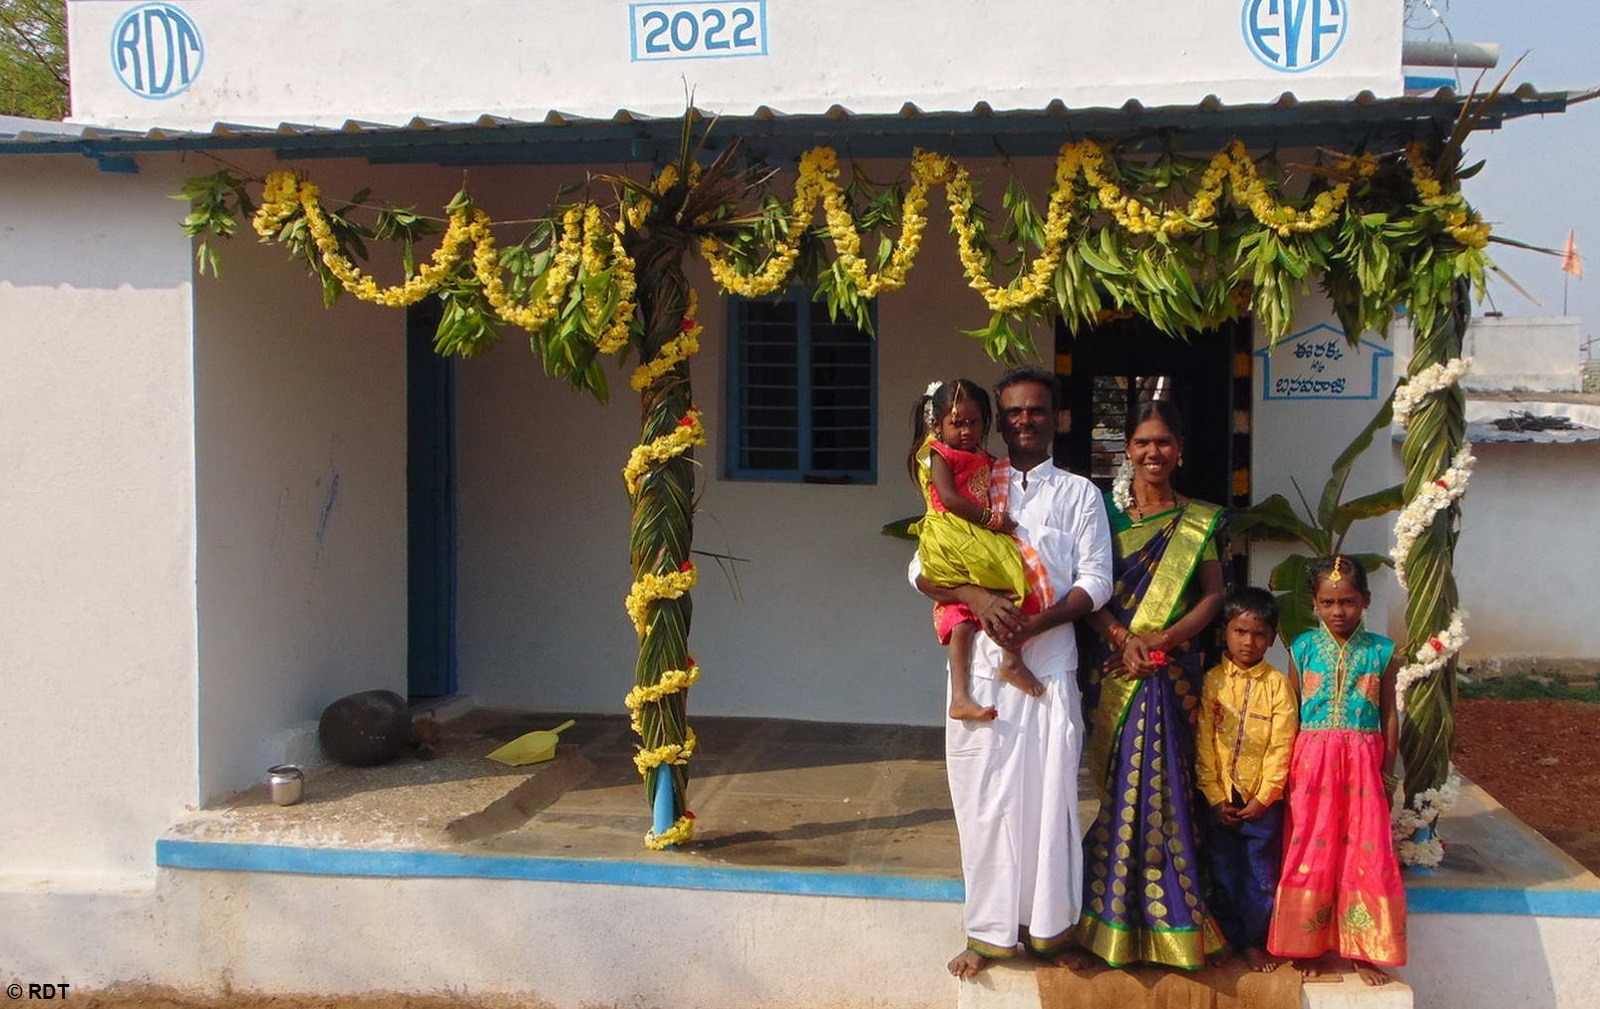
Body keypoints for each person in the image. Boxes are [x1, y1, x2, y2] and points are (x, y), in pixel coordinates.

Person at [910, 366, 1113, 978]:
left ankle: (1051, 932)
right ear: (1000, 419)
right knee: (984, 801)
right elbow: (920, 571)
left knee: (1052, 801)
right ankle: (990, 935)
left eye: (1038, 411)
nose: (1026, 420)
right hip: (982, 676)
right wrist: (975, 598)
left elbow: (1096, 582)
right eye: (1015, 412)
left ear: (1055, 418)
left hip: (1049, 667)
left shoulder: (1079, 493)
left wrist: (1036, 624)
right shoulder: (971, 477)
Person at [1071, 398, 1227, 970]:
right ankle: (1106, 913)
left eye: (1163, 442)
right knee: (1121, 787)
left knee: (1163, 786)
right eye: (1142, 442)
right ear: (1127, 450)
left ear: (1179, 451)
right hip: (1114, 667)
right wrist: (1122, 639)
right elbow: (1087, 588)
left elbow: (1212, 595)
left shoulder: (1199, 520)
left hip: (1169, 673)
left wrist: (1159, 643)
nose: (1152, 452)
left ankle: (1174, 917)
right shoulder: (1105, 517)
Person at [1268, 555, 1407, 985]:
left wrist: (1386, 770)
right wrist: (1284, 765)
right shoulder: (1302, 647)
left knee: (1365, 850)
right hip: (1312, 762)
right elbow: (1288, 710)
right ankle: (1306, 943)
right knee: (1311, 847)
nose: (1338, 611)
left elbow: (1389, 714)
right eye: (1328, 602)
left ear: (1364, 600)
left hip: (1364, 764)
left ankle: (1365, 949)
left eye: (1347, 601)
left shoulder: (1382, 652)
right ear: (1314, 603)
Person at [907, 378, 1041, 721]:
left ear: (985, 423)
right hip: (955, 537)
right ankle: (964, 694)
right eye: (957, 423)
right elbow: (950, 499)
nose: (966, 431)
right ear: (937, 425)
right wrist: (992, 520)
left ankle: (1008, 661)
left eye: (973, 423)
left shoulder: (983, 457)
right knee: (974, 608)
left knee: (1010, 586)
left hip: (974, 535)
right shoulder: (940, 453)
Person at [1196, 587, 1298, 972]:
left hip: (1261, 803)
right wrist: (1213, 794)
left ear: (1271, 639)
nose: (1248, 642)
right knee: (1221, 871)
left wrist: (1266, 796)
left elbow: (1282, 744)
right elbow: (1204, 741)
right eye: (1240, 631)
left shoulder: (1277, 686)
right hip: (1222, 797)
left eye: (1258, 634)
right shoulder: (1213, 682)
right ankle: (1223, 940)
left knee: (1259, 877)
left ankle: (1253, 942)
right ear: (1226, 631)